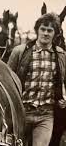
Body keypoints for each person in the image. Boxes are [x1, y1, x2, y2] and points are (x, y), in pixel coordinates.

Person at [7, 13, 66, 146]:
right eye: (43, 29)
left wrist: (64, 98)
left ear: (55, 34)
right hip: (21, 111)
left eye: (50, 30)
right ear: (37, 30)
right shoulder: (20, 51)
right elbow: (7, 79)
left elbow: (63, 80)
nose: (46, 33)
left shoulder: (61, 55)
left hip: (46, 114)